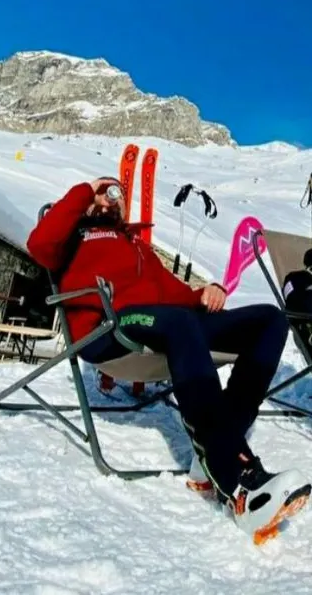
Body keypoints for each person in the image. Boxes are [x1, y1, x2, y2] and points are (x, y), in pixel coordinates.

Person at [27, 176, 311, 540]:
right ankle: (237, 480)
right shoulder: (72, 236)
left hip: (162, 323)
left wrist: (201, 294)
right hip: (109, 327)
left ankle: (214, 449)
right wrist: (85, 191)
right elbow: (39, 246)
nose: (110, 199)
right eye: (104, 193)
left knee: (269, 320)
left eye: (117, 194)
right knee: (178, 322)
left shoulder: (137, 246)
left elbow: (171, 292)